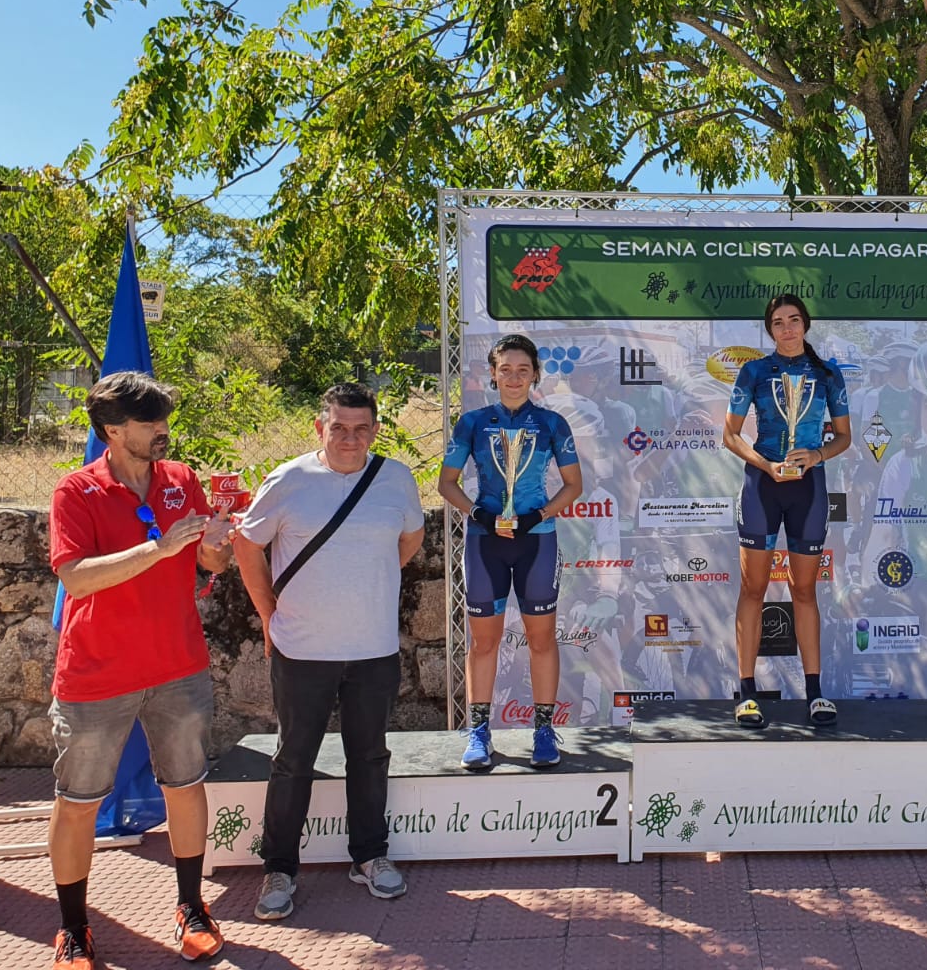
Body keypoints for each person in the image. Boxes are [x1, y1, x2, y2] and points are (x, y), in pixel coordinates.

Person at [45, 371, 233, 969]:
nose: (163, 431)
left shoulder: (182, 480)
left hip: (179, 666)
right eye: (151, 422)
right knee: (77, 802)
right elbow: (76, 577)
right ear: (113, 430)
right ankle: (74, 929)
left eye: (164, 419)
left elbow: (207, 562)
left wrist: (215, 548)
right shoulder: (76, 491)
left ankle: (192, 908)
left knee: (185, 786)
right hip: (96, 674)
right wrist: (160, 548)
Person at [232, 383, 426, 922]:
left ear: (376, 430)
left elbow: (408, 541)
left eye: (361, 428)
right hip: (302, 649)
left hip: (373, 649)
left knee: (369, 757)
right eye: (338, 427)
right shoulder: (289, 480)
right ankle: (279, 868)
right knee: (293, 760)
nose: (349, 437)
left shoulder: (395, 478)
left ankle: (369, 856)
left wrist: (366, 578)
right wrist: (268, 615)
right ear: (319, 427)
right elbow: (247, 545)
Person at [439, 335, 583, 770]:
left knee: (541, 640)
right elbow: (446, 483)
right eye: (506, 370)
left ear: (536, 375)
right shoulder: (473, 422)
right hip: (486, 542)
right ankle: (479, 731)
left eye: (523, 370)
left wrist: (535, 515)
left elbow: (575, 486)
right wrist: (480, 515)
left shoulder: (553, 423)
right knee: (484, 643)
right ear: (493, 374)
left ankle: (543, 730)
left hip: (536, 539)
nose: (515, 378)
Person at [722, 294, 852, 727]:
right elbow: (731, 435)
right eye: (778, 323)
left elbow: (844, 438)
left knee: (804, 592)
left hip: (809, 488)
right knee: (753, 590)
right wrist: (767, 465)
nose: (788, 329)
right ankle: (746, 693)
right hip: (763, 485)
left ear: (806, 324)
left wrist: (815, 457)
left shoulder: (827, 373)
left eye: (794, 320)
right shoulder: (754, 371)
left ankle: (815, 693)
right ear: (770, 330)